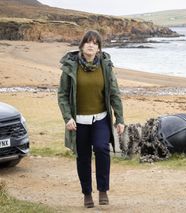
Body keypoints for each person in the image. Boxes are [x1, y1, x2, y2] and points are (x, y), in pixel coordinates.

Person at [57, 30, 125, 208]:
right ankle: (87, 193)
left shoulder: (105, 65)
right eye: (88, 42)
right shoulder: (71, 66)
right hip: (78, 122)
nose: (91, 45)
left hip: (100, 118)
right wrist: (67, 117)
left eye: (95, 43)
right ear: (82, 45)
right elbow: (63, 94)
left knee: (102, 149)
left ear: (99, 48)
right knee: (83, 157)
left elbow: (114, 93)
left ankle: (103, 190)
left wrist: (120, 118)